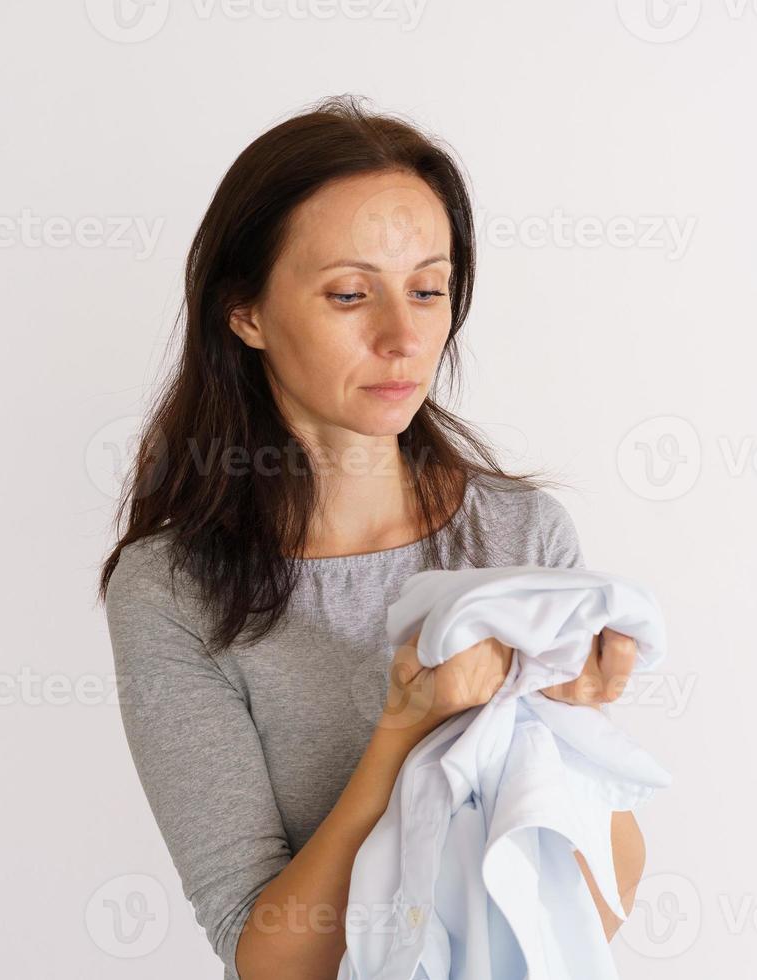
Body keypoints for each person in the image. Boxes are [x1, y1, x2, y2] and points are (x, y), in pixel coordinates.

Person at [99, 95, 645, 980]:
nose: (404, 337)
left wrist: (573, 719)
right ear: (246, 314)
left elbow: (588, 908)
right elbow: (269, 958)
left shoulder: (518, 534)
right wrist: (402, 733)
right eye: (351, 294)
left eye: (429, 290)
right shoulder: (171, 593)